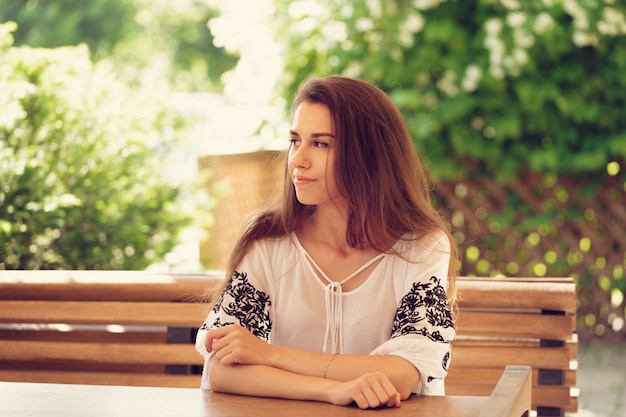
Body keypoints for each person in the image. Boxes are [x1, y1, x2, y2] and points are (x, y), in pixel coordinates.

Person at [195, 75, 458, 409]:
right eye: (295, 140)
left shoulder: (421, 247)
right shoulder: (269, 242)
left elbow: (403, 374)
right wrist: (332, 391)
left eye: (321, 144)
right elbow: (221, 368)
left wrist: (269, 355)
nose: (298, 159)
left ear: (367, 154)